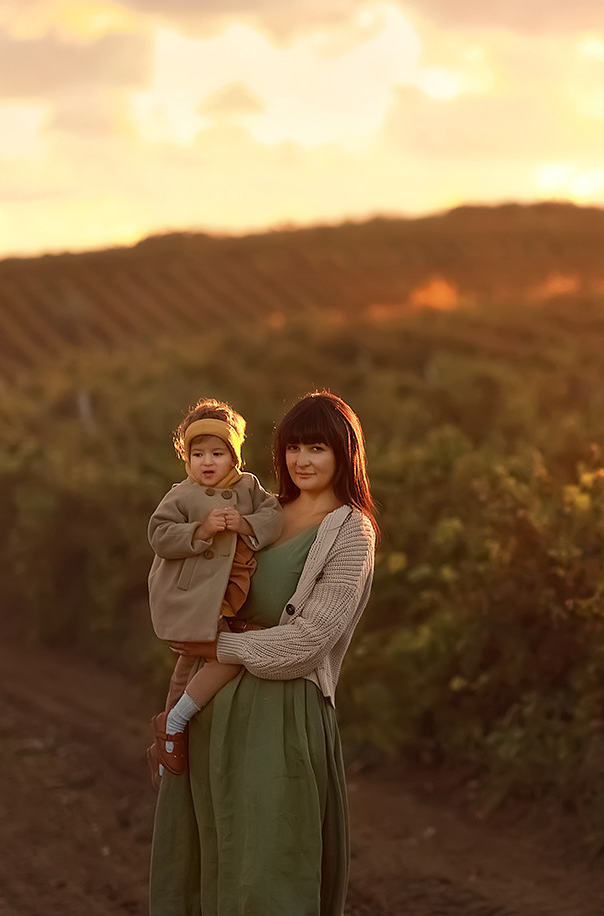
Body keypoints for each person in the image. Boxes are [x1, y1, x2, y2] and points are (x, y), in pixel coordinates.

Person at [149, 390, 379, 916]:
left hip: (281, 723)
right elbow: (192, 579)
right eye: (293, 447)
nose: (302, 460)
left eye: (317, 448)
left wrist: (219, 645)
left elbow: (308, 642)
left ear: (344, 453)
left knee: (268, 878)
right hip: (210, 713)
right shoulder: (262, 511)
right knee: (202, 871)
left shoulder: (351, 531)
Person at [147, 398, 283, 779]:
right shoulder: (182, 494)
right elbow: (159, 534)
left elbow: (274, 514)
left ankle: (172, 731)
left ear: (234, 457)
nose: (207, 462)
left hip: (228, 591)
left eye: (217, 453)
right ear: (187, 458)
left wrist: (245, 524)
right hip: (193, 593)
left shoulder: (249, 486)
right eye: (198, 454)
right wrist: (201, 530)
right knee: (211, 657)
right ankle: (173, 726)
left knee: (199, 661)